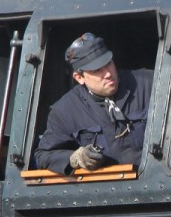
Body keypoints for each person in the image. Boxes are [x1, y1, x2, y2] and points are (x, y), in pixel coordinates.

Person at [32, 33, 152, 173]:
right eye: (97, 70)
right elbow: (44, 155)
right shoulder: (65, 110)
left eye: (108, 63)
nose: (108, 73)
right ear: (79, 77)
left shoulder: (149, 84)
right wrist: (75, 158)